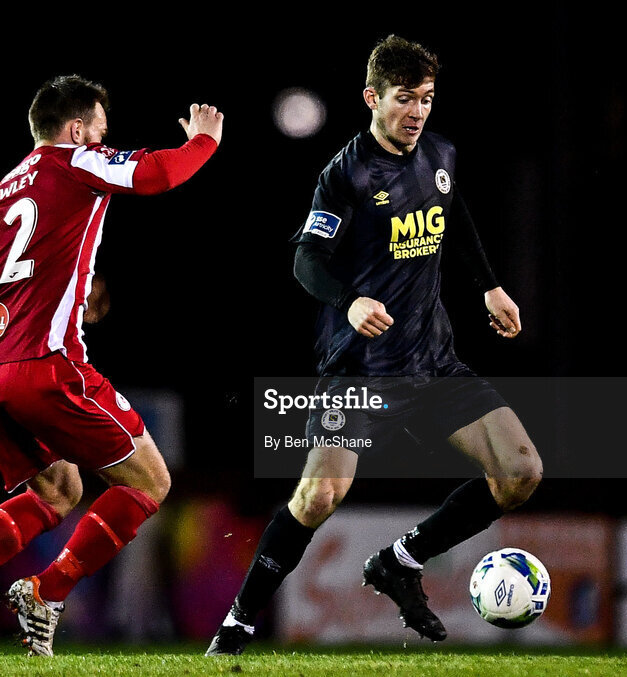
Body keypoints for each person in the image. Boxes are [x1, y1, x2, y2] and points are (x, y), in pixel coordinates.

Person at [206, 35, 541, 656]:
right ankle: (238, 621)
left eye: (427, 99)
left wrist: (490, 286)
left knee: (519, 472)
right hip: (362, 368)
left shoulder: (439, 151)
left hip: (434, 362)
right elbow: (307, 257)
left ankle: (400, 561)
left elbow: (453, 209)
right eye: (406, 99)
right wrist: (350, 300)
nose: (418, 112)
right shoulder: (346, 172)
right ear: (372, 98)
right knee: (319, 496)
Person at [0, 74, 223, 657]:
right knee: (152, 481)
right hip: (46, 366)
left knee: (60, 490)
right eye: (102, 131)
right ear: (76, 129)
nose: (106, 141)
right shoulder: (73, 162)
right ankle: (48, 591)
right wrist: (203, 142)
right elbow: (156, 173)